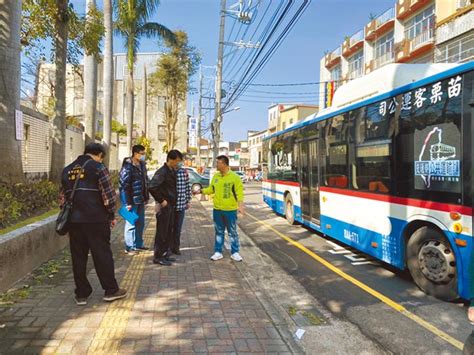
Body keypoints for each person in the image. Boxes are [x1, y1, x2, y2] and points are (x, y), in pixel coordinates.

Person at [60, 143, 126, 305]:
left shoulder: (67, 170)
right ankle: (111, 290)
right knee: (102, 254)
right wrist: (111, 214)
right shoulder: (98, 167)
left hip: (75, 221)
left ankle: (81, 294)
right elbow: (109, 196)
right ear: (99, 155)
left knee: (78, 256)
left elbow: (63, 199)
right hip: (96, 220)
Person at [197, 155, 244, 262]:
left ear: (224, 164)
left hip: (230, 210)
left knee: (232, 232)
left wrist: (241, 207)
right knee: (219, 231)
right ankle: (218, 252)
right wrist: (201, 191)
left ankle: (235, 252)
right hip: (217, 210)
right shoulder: (216, 177)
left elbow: (239, 193)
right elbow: (211, 189)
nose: (216, 165)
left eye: (218, 163)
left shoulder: (235, 178)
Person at [149, 150, 183, 266]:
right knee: (162, 232)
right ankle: (158, 256)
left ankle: (165, 255)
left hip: (171, 206)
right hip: (165, 206)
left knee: (168, 231)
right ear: (171, 159)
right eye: (177, 161)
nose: (178, 164)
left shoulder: (171, 171)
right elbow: (152, 187)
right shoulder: (162, 172)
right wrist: (161, 200)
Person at [119, 144, 150, 255]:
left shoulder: (142, 165)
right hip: (131, 201)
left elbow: (145, 181)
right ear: (135, 154)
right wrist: (126, 202)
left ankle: (138, 244)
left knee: (140, 222)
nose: (143, 156)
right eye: (142, 154)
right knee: (130, 223)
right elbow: (123, 185)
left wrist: (146, 197)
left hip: (140, 199)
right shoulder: (128, 166)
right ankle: (129, 247)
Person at [170, 161, 192, 255]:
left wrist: (187, 200)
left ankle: (176, 247)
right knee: (169, 228)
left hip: (181, 205)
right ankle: (168, 248)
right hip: (170, 205)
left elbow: (187, 187)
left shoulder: (184, 173)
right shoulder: (169, 172)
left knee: (178, 228)